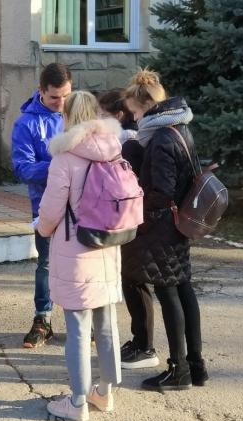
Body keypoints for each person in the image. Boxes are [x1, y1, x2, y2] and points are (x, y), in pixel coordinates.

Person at [121, 69, 208, 392]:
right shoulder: (179, 128)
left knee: (169, 294)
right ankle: (196, 366)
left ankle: (179, 370)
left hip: (161, 227)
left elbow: (161, 191)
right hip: (178, 222)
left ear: (147, 106)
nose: (134, 118)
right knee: (183, 290)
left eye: (134, 112)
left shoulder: (160, 139)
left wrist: (135, 209)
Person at [38, 91, 123, 421]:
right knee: (107, 322)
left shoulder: (65, 157)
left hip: (76, 248)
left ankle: (76, 403)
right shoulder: (115, 149)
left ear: (69, 117)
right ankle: (104, 393)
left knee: (77, 327)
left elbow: (51, 210)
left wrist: (42, 229)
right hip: (109, 245)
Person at [11, 63, 72, 348]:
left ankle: (81, 319)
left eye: (66, 96)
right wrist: (62, 166)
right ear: (41, 91)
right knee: (46, 264)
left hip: (82, 206)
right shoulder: (26, 124)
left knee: (82, 264)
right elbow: (23, 169)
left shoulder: (79, 114)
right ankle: (42, 320)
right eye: (54, 98)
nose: (61, 104)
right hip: (46, 206)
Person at [98, 89, 158, 370]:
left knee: (136, 282)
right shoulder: (129, 142)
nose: (99, 119)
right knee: (131, 281)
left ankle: (145, 346)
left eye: (103, 114)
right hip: (134, 221)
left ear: (119, 115)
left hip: (136, 222)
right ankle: (139, 341)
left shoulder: (129, 145)